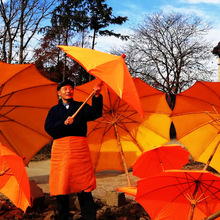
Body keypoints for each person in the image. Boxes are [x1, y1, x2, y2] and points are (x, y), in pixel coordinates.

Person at [44, 80, 103, 220]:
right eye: (64, 89)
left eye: (71, 88)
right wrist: (63, 123)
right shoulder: (54, 110)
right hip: (61, 150)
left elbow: (95, 113)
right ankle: (63, 217)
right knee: (61, 186)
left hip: (79, 150)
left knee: (84, 186)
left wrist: (97, 96)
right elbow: (48, 128)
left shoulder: (80, 106)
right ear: (59, 93)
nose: (68, 91)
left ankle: (89, 217)